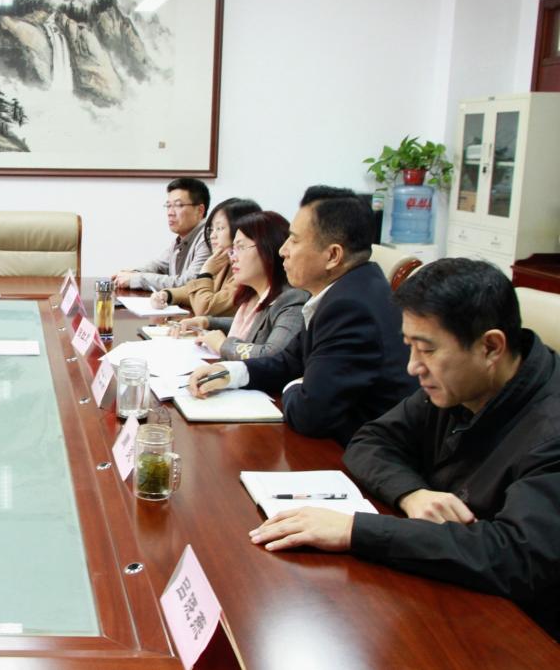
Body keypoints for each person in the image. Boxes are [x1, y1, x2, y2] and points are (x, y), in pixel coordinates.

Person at [248, 258, 560, 640]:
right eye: (409, 347)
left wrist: (356, 531)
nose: (413, 367)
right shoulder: (459, 385)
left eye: (426, 350)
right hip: (443, 586)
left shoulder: (550, 429)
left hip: (517, 629)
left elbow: (515, 557)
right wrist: (412, 493)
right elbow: (371, 440)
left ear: (491, 347)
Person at [187, 186, 416, 445]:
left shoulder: (350, 307)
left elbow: (309, 414)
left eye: (294, 240)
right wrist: (229, 372)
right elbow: (288, 361)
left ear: (333, 255)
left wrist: (292, 385)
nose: (282, 250)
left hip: (356, 452)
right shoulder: (345, 290)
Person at [174, 210, 308, 359]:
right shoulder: (253, 294)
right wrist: (207, 322)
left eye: (241, 247)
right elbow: (254, 328)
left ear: (268, 247)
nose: (233, 257)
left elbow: (273, 355)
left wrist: (222, 345)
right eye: (233, 250)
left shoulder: (292, 298)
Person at [150, 198, 262, 316]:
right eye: (211, 229)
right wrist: (167, 295)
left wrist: (206, 273)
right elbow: (195, 292)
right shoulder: (224, 261)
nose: (212, 236)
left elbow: (205, 308)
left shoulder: (247, 272)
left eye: (219, 228)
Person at [112, 178, 212, 291]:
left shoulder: (209, 238)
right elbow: (159, 266)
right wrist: (132, 273)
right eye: (168, 205)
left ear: (200, 210)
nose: (170, 213)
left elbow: (190, 283)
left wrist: (136, 279)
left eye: (178, 205)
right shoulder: (182, 238)